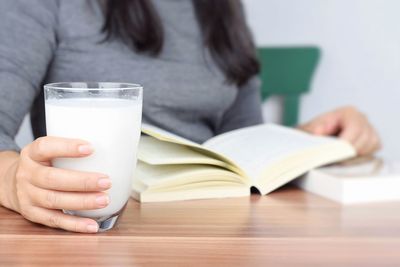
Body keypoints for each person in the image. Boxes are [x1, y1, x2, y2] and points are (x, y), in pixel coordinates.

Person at [0, 0, 380, 233]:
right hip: (97, 224)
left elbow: (240, 149)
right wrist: (15, 180)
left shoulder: (221, 9)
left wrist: (311, 141)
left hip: (210, 228)